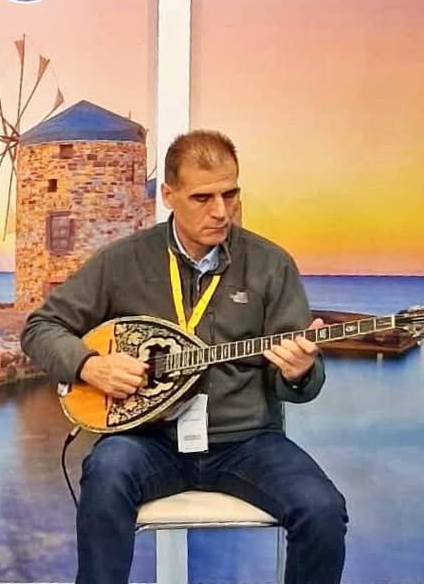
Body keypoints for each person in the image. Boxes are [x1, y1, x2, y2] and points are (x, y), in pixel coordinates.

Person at [22, 129, 347, 584]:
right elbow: (40, 328)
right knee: (106, 474)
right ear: (169, 195)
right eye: (202, 197)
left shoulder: (271, 265)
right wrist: (89, 365)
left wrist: (299, 372)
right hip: (147, 440)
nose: (221, 211)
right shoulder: (122, 261)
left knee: (323, 511)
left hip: (247, 442)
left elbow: (298, 387)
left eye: (230, 194)